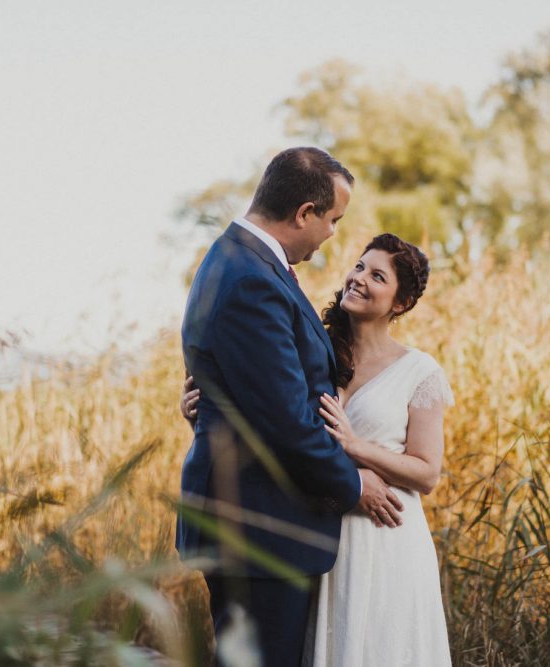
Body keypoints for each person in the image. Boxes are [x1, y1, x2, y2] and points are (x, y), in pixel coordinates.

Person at [176, 147, 404, 667]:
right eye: (331, 220)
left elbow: (247, 385)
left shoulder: (237, 260)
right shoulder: (251, 279)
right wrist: (354, 485)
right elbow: (286, 422)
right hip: (257, 524)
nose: (331, 235)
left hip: (255, 520)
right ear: (304, 213)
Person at [181, 233, 454, 666]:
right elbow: (272, 415)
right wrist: (203, 412)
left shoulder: (419, 371)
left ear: (400, 303)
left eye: (377, 276)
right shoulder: (315, 348)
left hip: (384, 534)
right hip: (316, 529)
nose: (359, 278)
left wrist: (354, 445)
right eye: (360, 266)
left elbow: (426, 473)